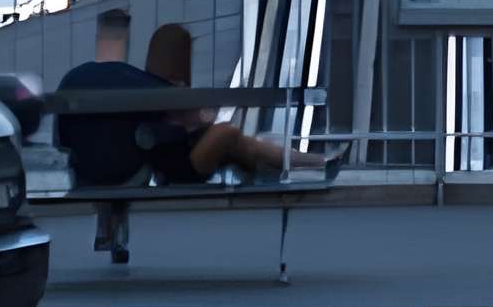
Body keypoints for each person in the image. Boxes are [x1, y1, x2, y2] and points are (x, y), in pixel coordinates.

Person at [141, 23, 345, 186]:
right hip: (180, 164)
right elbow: (200, 118)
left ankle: (315, 162)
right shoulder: (164, 90)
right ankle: (305, 164)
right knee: (231, 136)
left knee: (246, 144)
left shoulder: (151, 86)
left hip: (179, 157)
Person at [55, 9, 166, 265]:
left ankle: (106, 226)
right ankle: (117, 231)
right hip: (129, 173)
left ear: (98, 37)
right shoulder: (139, 80)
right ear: (127, 38)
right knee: (134, 151)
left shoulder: (73, 78)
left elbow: (61, 139)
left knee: (96, 157)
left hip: (86, 174)